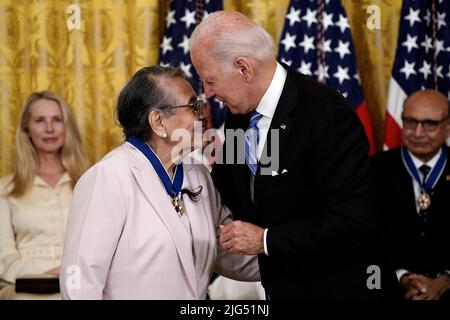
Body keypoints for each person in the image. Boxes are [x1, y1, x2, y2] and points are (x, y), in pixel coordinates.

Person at [189, 11, 372, 299]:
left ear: (243, 69)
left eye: (210, 81)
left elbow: (353, 223)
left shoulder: (326, 115)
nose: (208, 93)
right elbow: (229, 192)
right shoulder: (241, 114)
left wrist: (264, 239)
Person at [59, 65, 259, 300]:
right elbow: (79, 284)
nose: (203, 113)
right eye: (193, 105)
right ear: (158, 122)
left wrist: (294, 254)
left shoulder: (199, 175)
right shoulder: (108, 177)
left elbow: (230, 252)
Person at [0, 91, 88, 299]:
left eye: (57, 120)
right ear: (26, 129)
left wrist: (71, 274)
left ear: (68, 127)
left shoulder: (89, 183)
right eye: (40, 120)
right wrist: (43, 277)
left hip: (83, 282)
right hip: (24, 287)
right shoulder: (5, 188)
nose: (49, 128)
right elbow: (3, 257)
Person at [371, 89, 450, 300]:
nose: (417, 132)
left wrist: (445, 281)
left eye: (429, 124)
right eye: (410, 122)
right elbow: (364, 240)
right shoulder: (373, 170)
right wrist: (401, 277)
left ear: (448, 126)